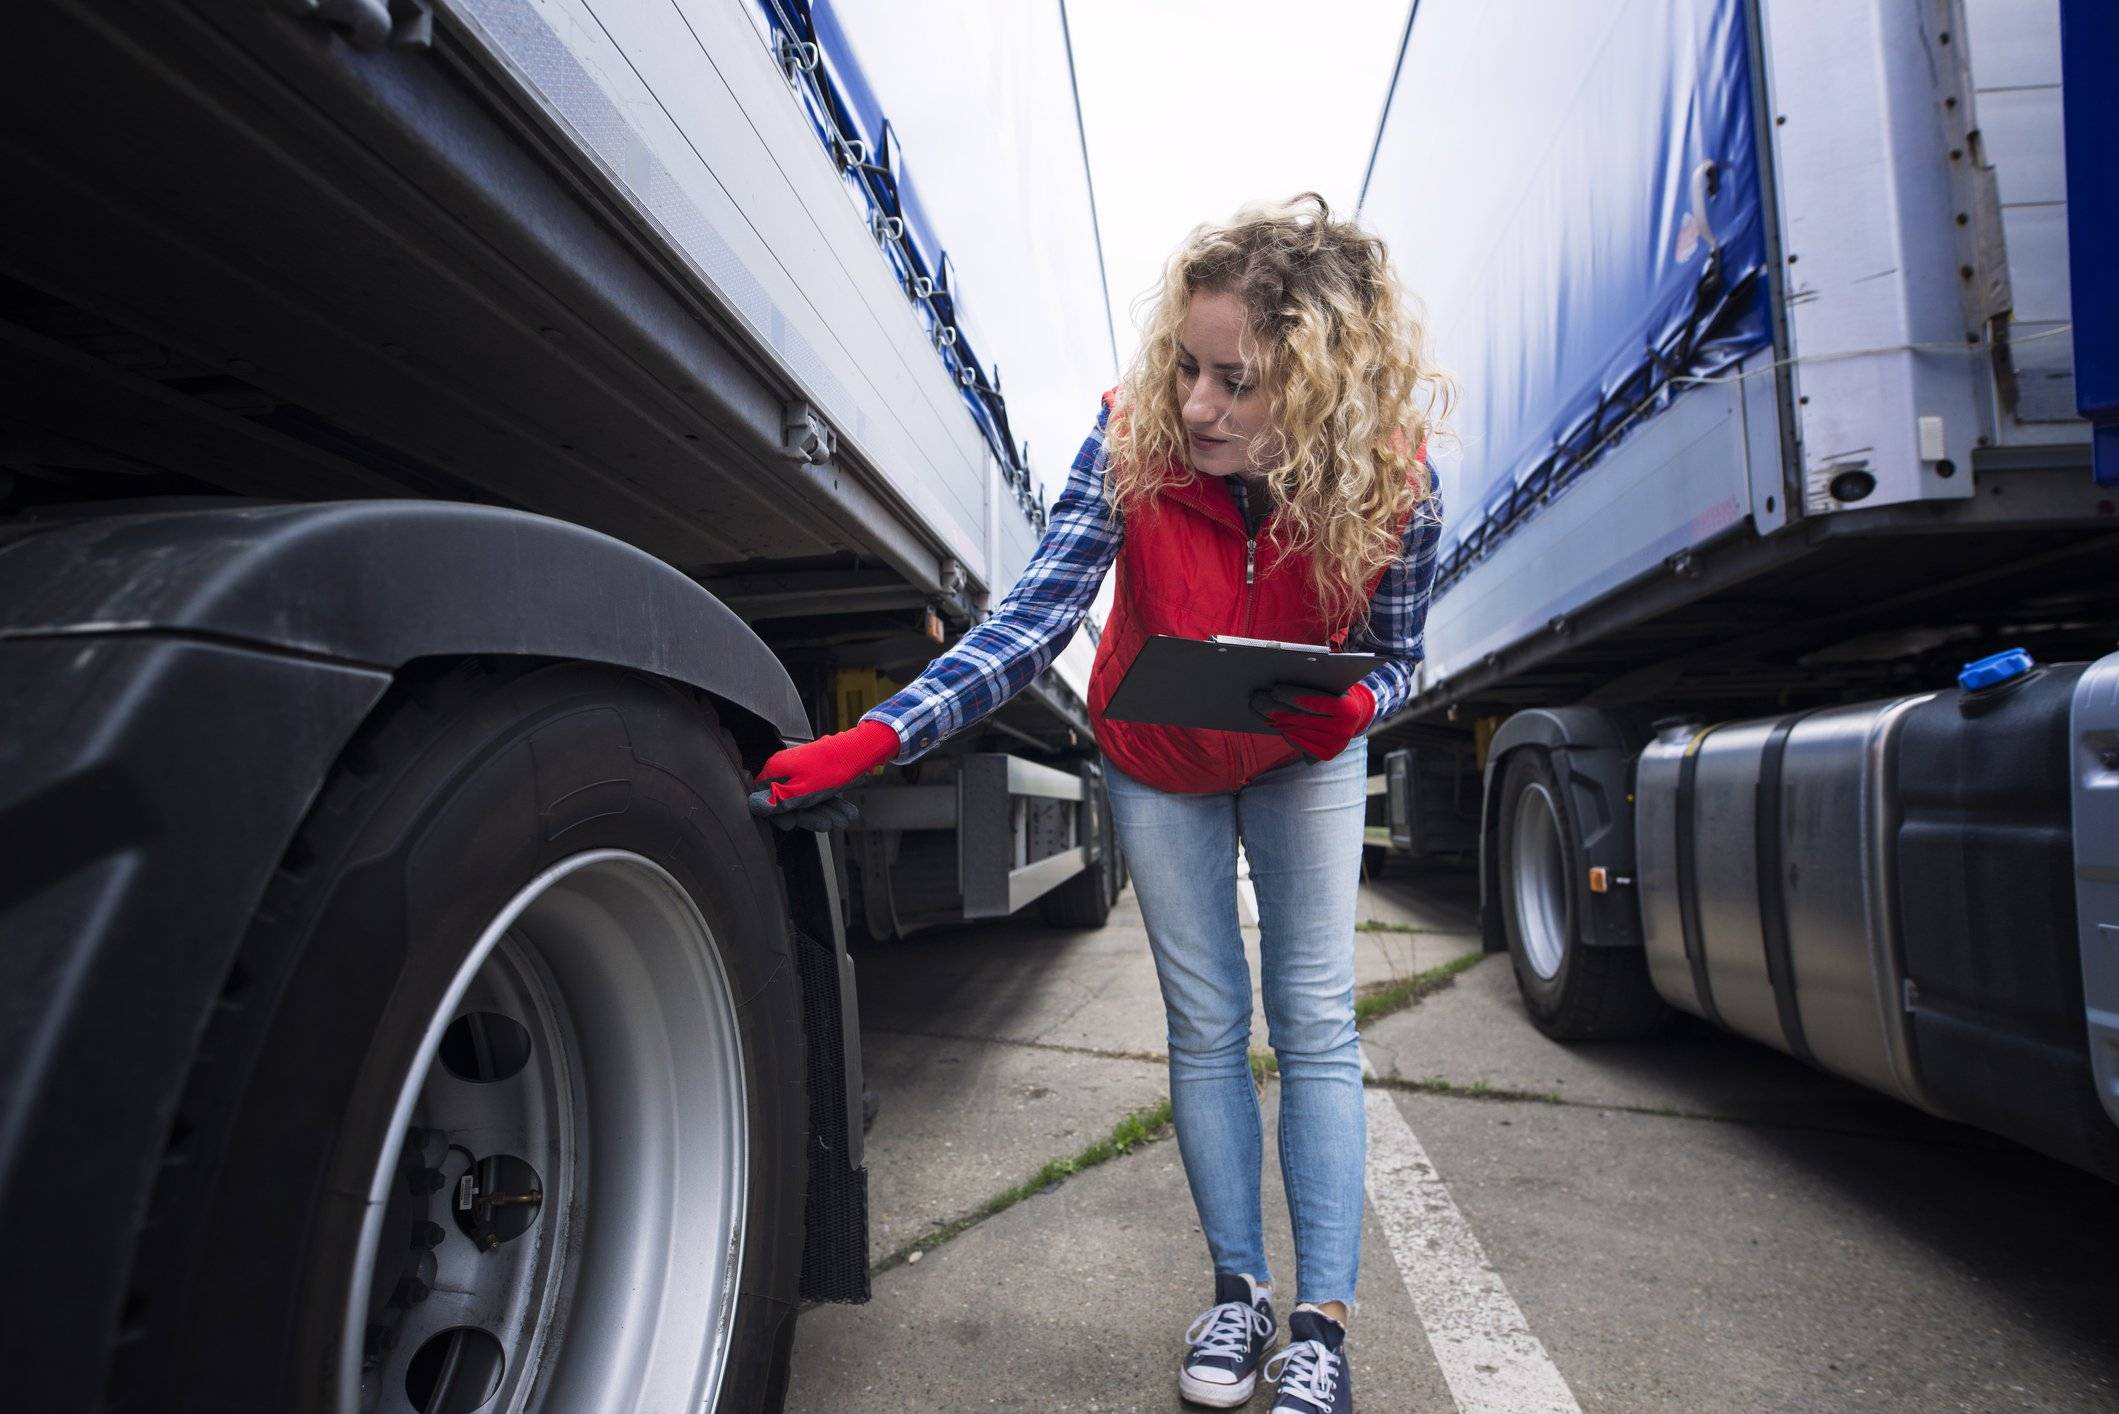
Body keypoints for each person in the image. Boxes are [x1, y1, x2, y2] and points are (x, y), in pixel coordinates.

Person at [751, 193, 1448, 1414]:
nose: (1195, 405)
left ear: (1321, 380)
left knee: (1314, 1014)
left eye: (1235, 381)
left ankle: (1319, 1326)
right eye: (1187, 365)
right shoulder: (1133, 437)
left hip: (1301, 755)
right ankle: (1235, 1288)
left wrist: (1360, 708)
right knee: (1204, 1019)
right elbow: (1036, 617)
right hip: (1156, 751)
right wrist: (881, 729)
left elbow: (1401, 654)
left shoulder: (1397, 485)